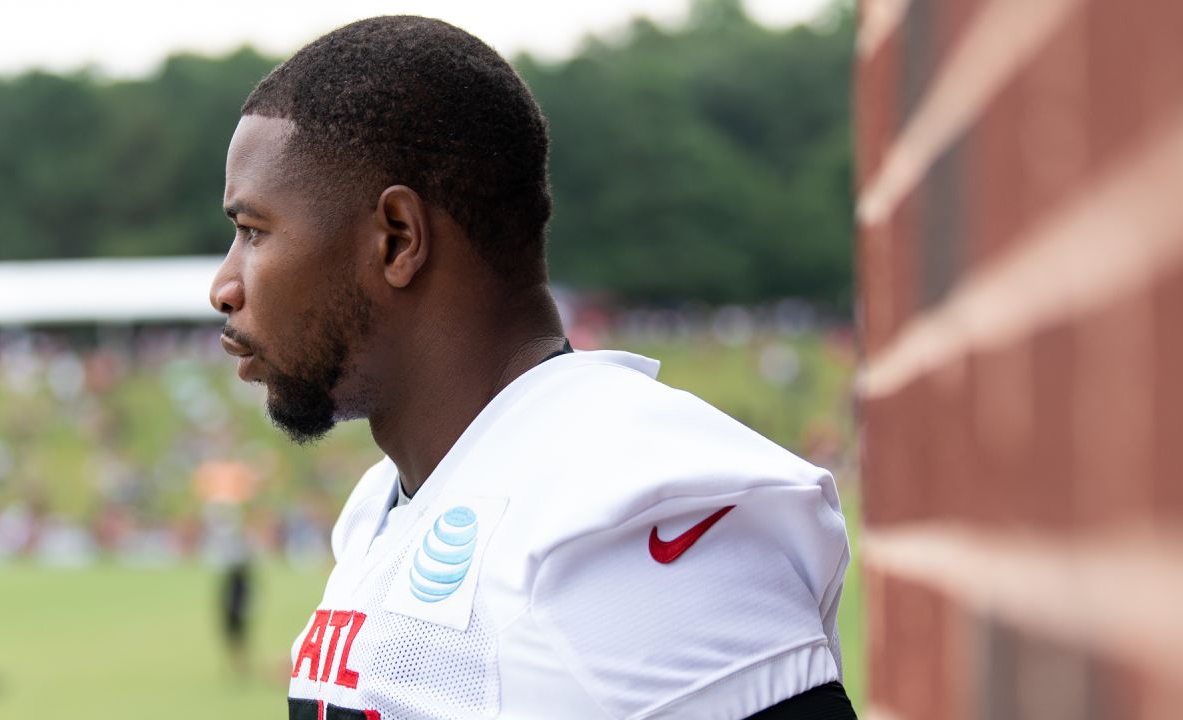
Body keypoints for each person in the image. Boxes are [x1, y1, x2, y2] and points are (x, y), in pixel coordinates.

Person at [209, 15, 855, 720]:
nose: (224, 286)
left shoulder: (614, 523)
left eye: (253, 232)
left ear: (397, 238)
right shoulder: (391, 501)